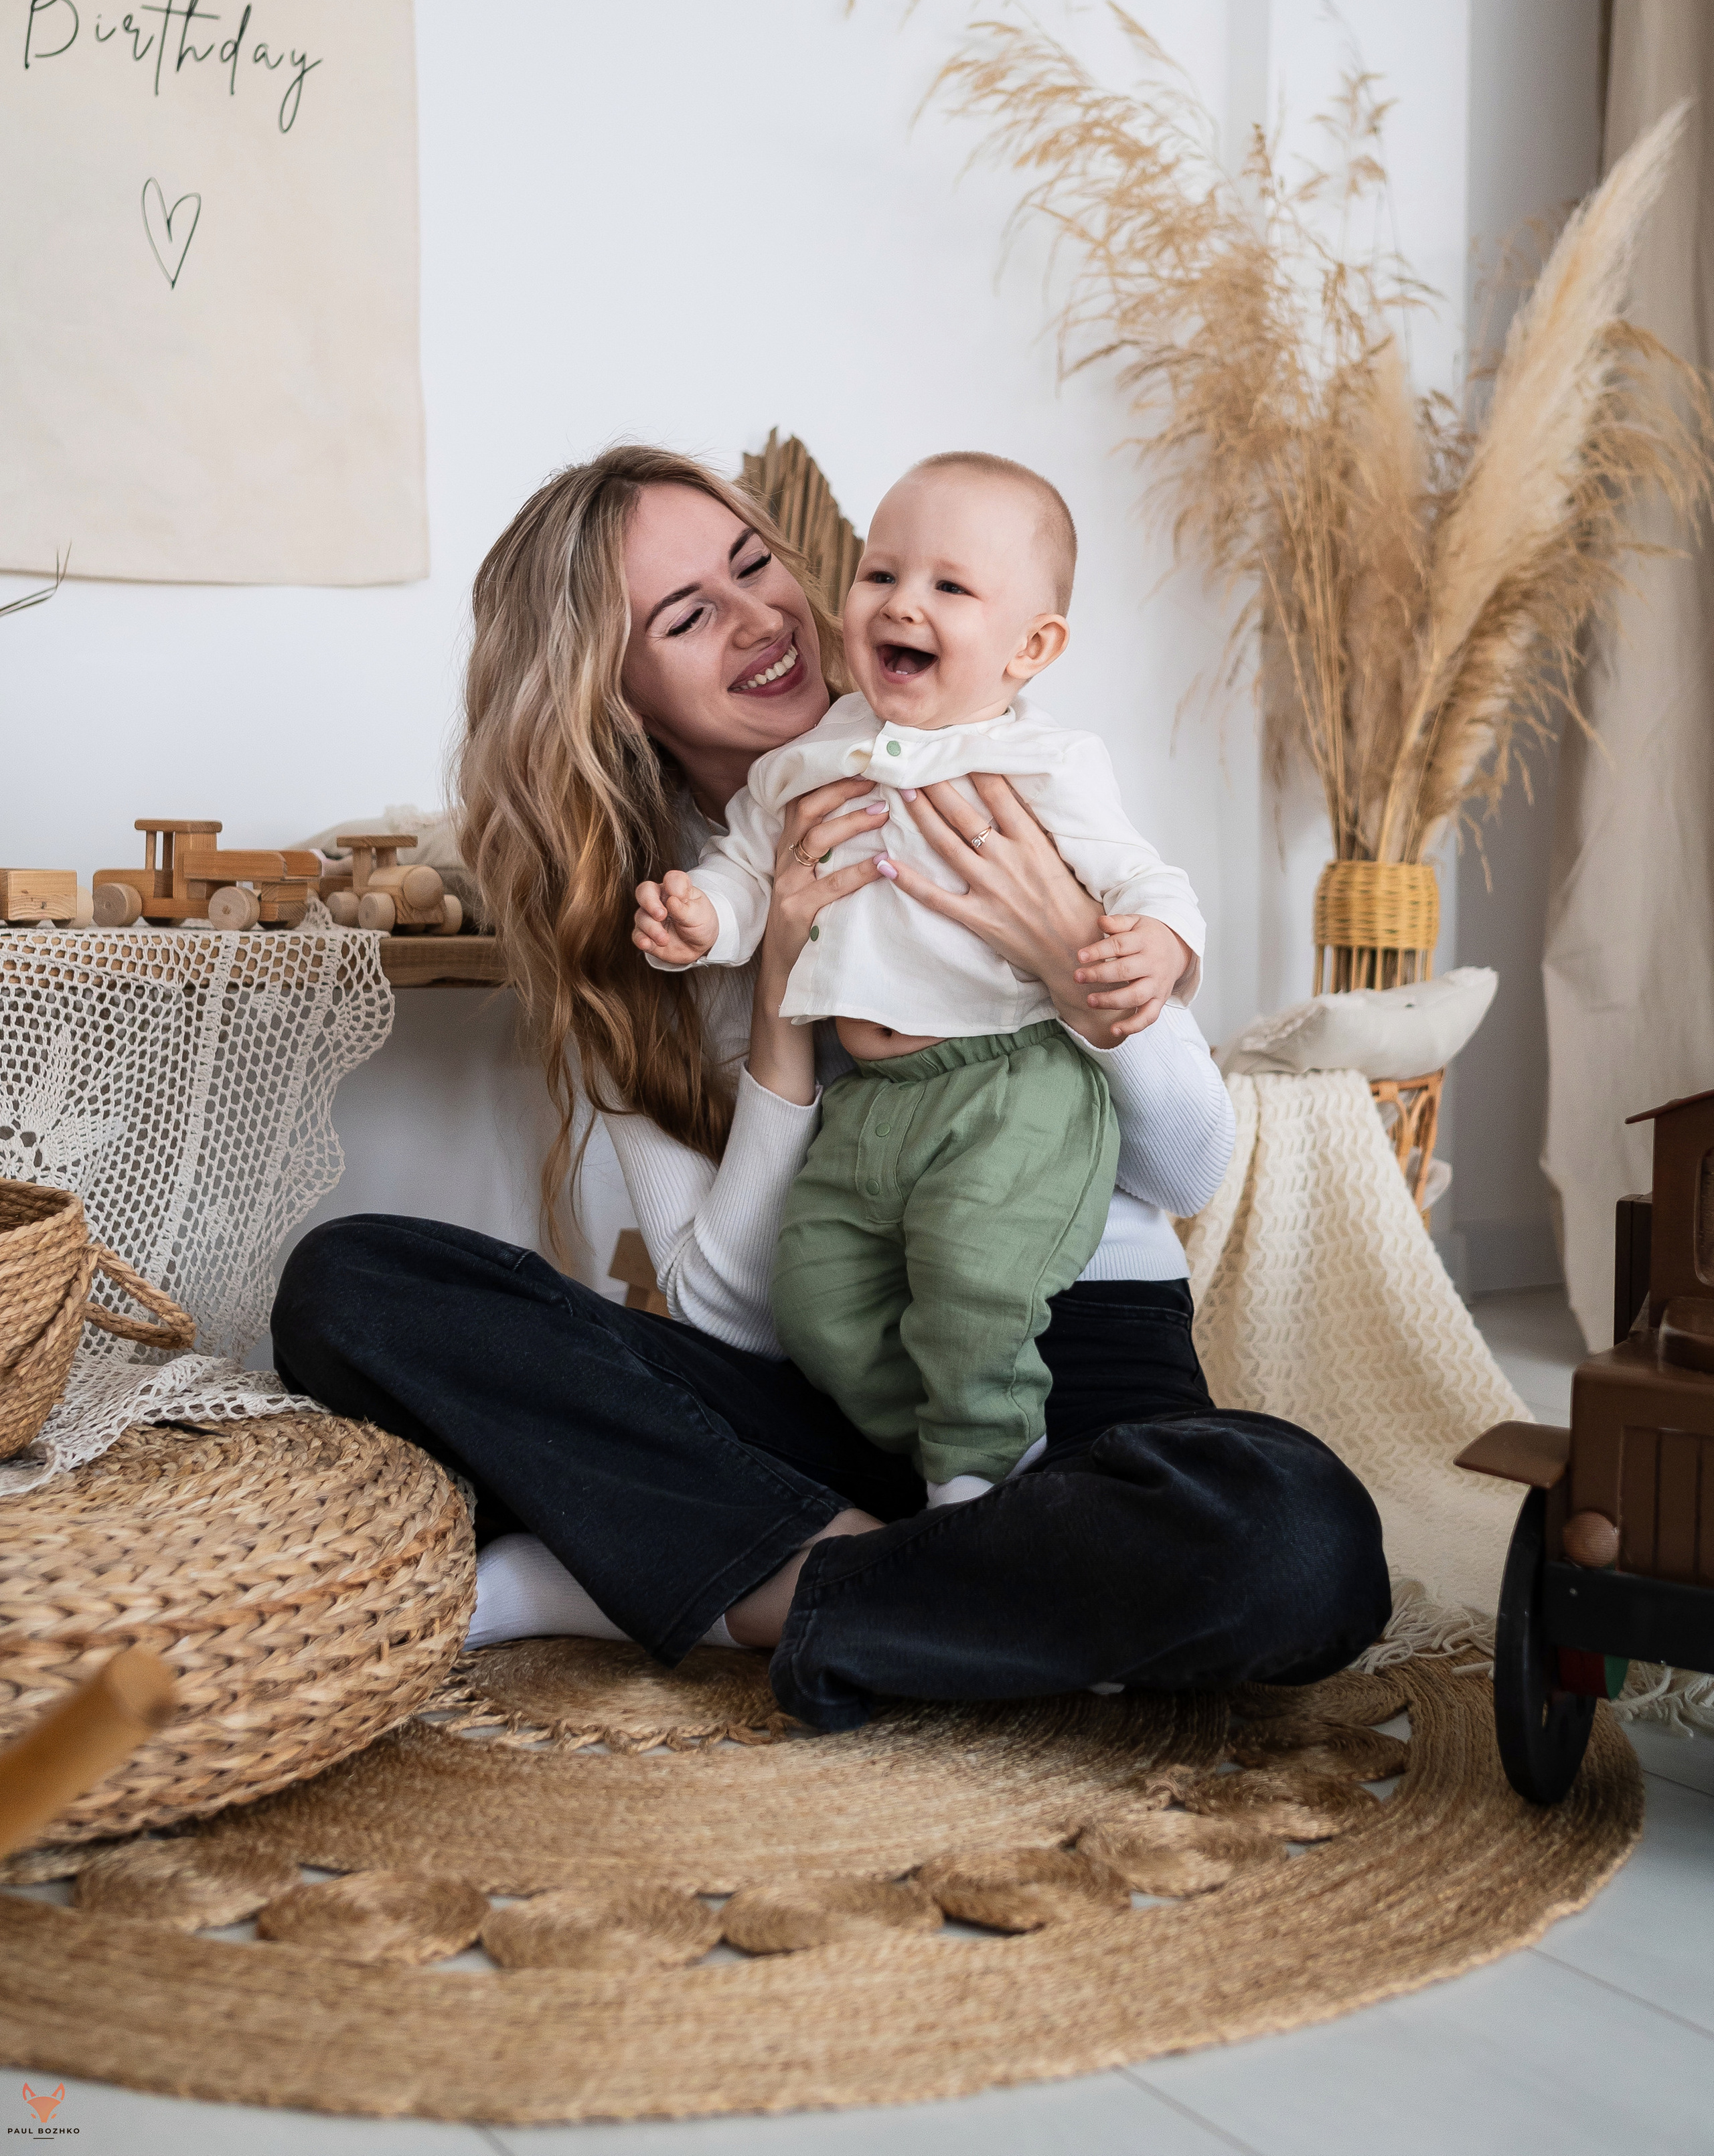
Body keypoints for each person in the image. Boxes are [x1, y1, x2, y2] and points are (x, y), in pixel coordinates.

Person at [272, 444, 1390, 1734]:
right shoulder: (666, 930)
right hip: (821, 1379)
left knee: (1300, 1541)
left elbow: (1188, 1173)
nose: (761, 623)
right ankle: (942, 1592)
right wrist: (778, 1005)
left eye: (757, 568)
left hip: (1068, 1373)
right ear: (615, 698)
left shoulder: (1004, 775)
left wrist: (1065, 956)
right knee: (349, 1285)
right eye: (690, 617)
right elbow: (728, 1320)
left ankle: (736, 1581)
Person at [632, 451, 1205, 1508]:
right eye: (883, 575)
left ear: (1031, 647)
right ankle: (962, 1484)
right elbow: (745, 875)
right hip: (876, 1119)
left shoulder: (1042, 763)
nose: (902, 603)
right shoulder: (807, 766)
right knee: (819, 1304)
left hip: (1012, 1087)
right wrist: (710, 926)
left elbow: (1146, 885)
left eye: (949, 586)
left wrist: (1137, 957)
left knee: (975, 1280)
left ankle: (974, 1476)